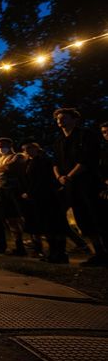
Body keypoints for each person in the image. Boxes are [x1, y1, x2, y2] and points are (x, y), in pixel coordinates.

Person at [52, 108, 106, 266]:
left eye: (64, 118)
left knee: (96, 216)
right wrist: (59, 177)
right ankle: (98, 252)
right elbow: (55, 162)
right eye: (57, 119)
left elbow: (87, 159)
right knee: (82, 218)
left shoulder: (86, 135)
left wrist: (70, 175)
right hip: (70, 186)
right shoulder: (59, 140)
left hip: (88, 183)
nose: (60, 121)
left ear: (75, 119)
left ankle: (104, 251)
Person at [20, 142, 69, 263]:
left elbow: (42, 179)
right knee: (46, 226)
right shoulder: (28, 163)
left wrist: (31, 192)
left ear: (37, 149)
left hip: (47, 196)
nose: (27, 151)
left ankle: (60, 253)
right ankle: (53, 252)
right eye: (25, 149)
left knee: (53, 224)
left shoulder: (44, 161)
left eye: (30, 148)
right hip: (37, 198)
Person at [0, 137, 27, 256]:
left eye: (3, 145)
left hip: (16, 190)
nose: (0, 148)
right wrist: (0, 169)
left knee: (21, 217)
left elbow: (11, 167)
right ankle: (19, 246)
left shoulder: (18, 156)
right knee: (9, 219)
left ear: (10, 145)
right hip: (1, 191)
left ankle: (35, 244)